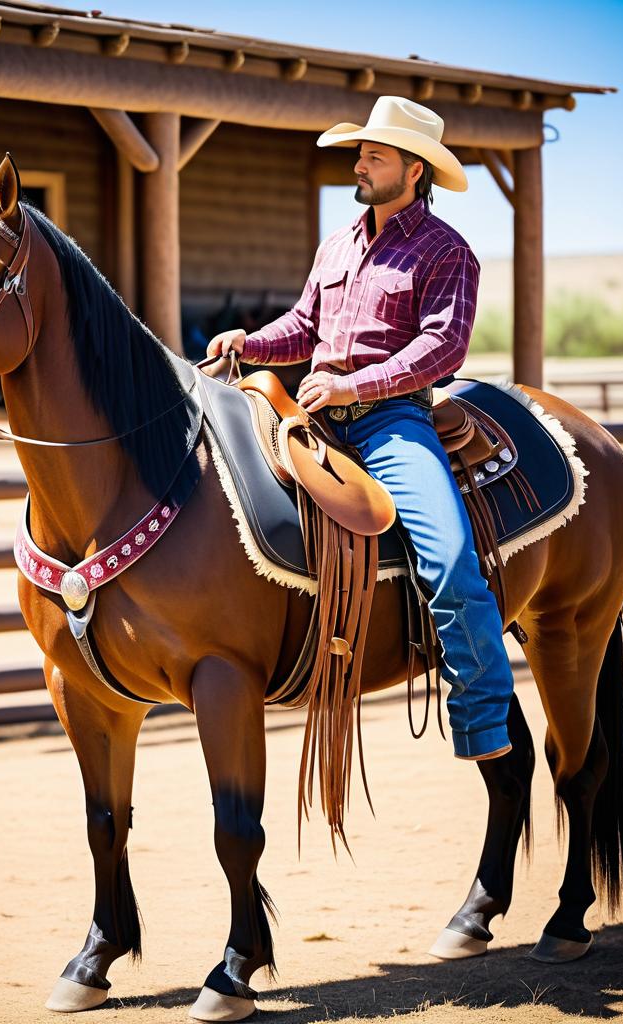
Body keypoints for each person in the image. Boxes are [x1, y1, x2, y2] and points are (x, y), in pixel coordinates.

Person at [207, 96, 514, 761]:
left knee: (451, 559)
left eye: (376, 154)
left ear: (415, 171)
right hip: (310, 415)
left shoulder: (446, 251)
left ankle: (485, 717)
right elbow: (304, 327)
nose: (361, 162)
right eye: (361, 151)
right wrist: (250, 343)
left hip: (391, 421)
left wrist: (354, 384)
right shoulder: (338, 242)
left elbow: (442, 349)